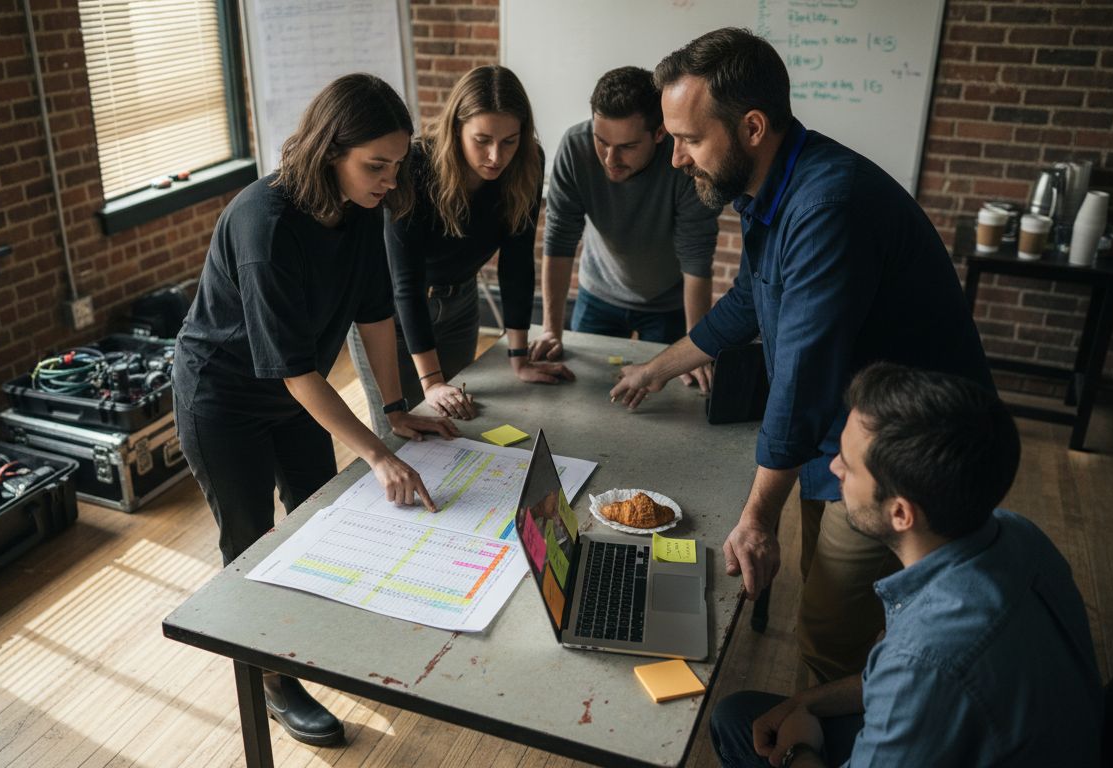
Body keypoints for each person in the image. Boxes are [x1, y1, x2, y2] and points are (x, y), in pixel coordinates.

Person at [609, 28, 993, 684]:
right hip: (846, 434)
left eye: (690, 139)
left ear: (752, 127)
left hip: (908, 456)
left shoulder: (827, 206)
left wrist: (758, 518)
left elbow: (803, 379)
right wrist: (655, 367)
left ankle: (834, 733)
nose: (675, 159)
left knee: (830, 631)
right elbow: (750, 303)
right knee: (828, 593)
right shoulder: (775, 188)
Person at [172, 74, 459, 747]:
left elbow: (375, 312)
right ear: (332, 150)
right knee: (250, 542)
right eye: (375, 165)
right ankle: (271, 679)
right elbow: (298, 370)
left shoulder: (362, 209)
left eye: (396, 165)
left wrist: (394, 408)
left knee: (318, 521)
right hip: (223, 400)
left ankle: (319, 646)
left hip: (291, 394)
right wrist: (378, 451)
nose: (389, 180)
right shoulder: (263, 223)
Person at [709, 363, 1102, 767]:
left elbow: (922, 671)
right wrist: (807, 700)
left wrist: (798, 750)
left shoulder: (924, 658)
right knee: (741, 714)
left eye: (847, 462)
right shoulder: (1020, 534)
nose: (833, 468)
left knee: (738, 726)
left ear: (900, 513)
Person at [351, 64, 573, 437]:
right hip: (388, 314)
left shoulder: (527, 163)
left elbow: (517, 262)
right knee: (399, 436)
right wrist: (432, 380)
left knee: (456, 428)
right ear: (456, 128)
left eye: (509, 141)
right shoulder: (415, 166)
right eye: (482, 140)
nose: (495, 156)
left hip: (460, 305)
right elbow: (406, 280)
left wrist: (518, 358)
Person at [529, 66, 720, 393]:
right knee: (581, 394)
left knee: (671, 397)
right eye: (601, 141)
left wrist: (696, 346)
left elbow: (696, 258)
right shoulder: (575, 147)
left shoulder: (686, 164)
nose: (610, 158)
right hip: (598, 293)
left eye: (627, 146)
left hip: (666, 302)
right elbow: (559, 241)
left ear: (659, 133)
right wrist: (550, 329)